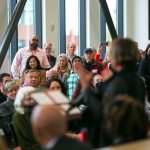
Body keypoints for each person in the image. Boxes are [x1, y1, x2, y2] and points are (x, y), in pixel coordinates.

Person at [78, 38, 146, 148]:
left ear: (116, 56)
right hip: (133, 137)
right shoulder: (138, 80)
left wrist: (86, 89)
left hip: (113, 140)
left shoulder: (118, 82)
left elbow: (102, 112)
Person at [0, 80, 20, 149]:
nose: (14, 92)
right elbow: (8, 129)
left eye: (16, 90)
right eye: (11, 91)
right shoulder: (3, 106)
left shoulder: (23, 103)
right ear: (6, 93)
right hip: (14, 141)